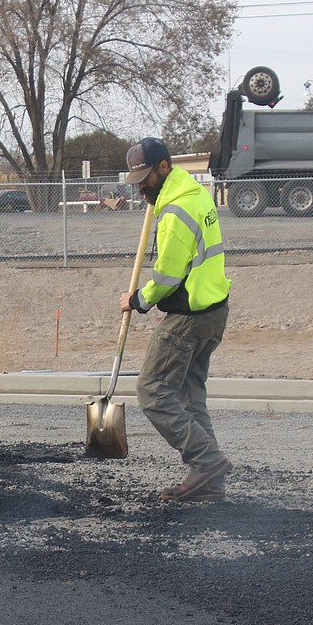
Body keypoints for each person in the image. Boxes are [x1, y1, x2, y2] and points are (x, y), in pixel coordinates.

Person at [118, 137, 234, 501]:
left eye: (144, 178)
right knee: (189, 395)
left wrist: (137, 300)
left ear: (163, 168)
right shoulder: (195, 193)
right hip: (213, 310)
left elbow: (167, 276)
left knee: (152, 391)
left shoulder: (174, 211)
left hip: (190, 315)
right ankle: (209, 484)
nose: (139, 188)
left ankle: (207, 460)